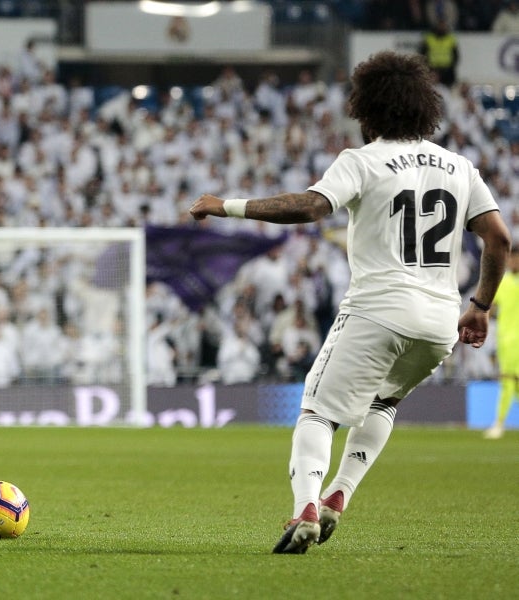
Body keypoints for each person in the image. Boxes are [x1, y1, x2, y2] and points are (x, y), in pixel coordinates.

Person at [189, 51, 511, 554]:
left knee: (317, 412)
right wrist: (480, 306)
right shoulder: (460, 167)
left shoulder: (362, 161)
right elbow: (499, 238)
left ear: (368, 108)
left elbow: (312, 207)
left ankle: (305, 510)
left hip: (379, 308)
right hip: (439, 320)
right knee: (383, 401)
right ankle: (340, 494)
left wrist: (227, 205)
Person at [484, 247, 519, 439]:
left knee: (509, 383)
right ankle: (499, 423)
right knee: (508, 382)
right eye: (511, 259)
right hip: (506, 341)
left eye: (516, 259)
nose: (513, 262)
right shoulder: (503, 283)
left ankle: (499, 424)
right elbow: (489, 305)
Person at [419, 19, 459, 87]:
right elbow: (422, 54)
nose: (442, 27)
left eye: (444, 26)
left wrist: (451, 67)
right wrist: (428, 67)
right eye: (440, 26)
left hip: (447, 70)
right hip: (432, 68)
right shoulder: (429, 38)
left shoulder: (451, 39)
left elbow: (456, 55)